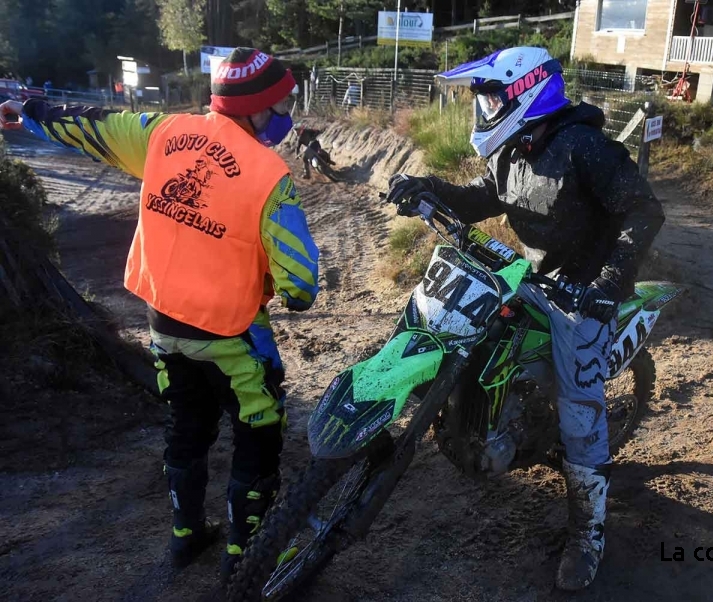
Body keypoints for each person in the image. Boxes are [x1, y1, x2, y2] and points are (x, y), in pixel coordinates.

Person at [1, 47, 320, 582]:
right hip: (230, 332)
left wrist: (27, 110)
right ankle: (249, 551)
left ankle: (185, 536)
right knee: (259, 427)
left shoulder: (160, 133)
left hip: (162, 323)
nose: (287, 113)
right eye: (282, 102)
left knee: (185, 425)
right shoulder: (270, 175)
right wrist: (288, 293)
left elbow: (90, 125)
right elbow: (302, 283)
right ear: (257, 107)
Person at [385, 47, 664, 592]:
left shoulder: (584, 145)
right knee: (468, 337)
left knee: (582, 412)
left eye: (493, 96)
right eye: (483, 98)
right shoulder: (514, 147)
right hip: (528, 278)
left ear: (528, 90)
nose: (485, 107)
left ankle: (588, 532)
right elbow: (481, 199)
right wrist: (429, 189)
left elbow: (643, 210)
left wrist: (609, 282)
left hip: (583, 294)